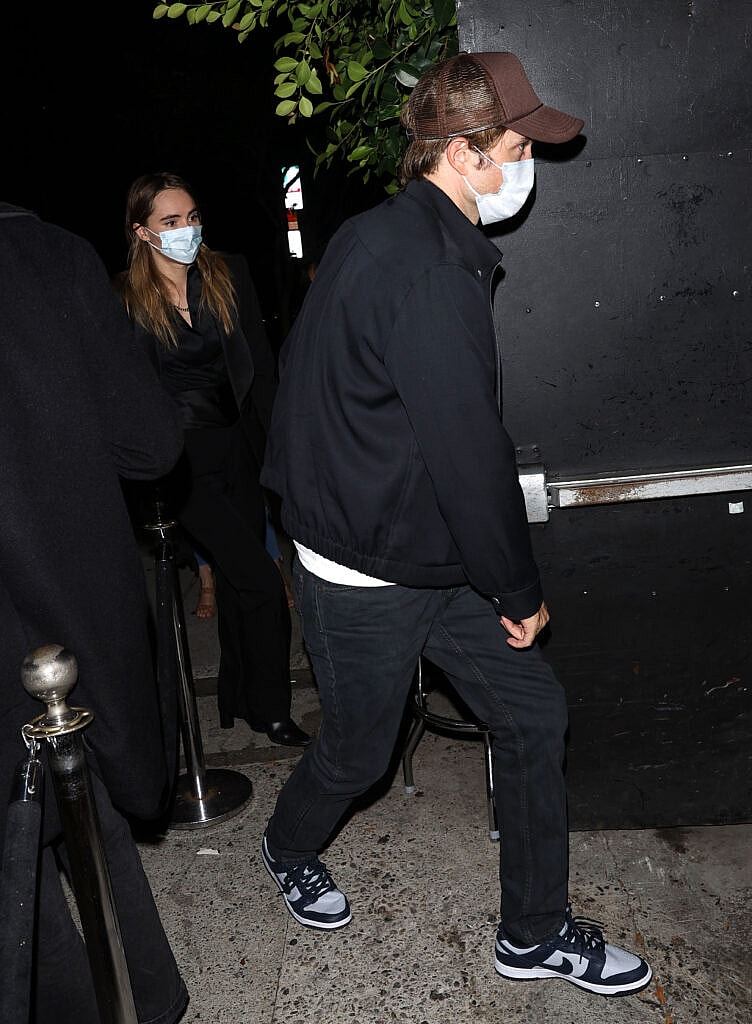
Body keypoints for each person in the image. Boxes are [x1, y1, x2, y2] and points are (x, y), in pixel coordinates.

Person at [258, 51, 653, 997]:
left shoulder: (386, 232)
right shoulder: (431, 266)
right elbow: (469, 453)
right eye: (518, 146)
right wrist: (518, 588)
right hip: (369, 562)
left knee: (532, 711)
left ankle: (534, 932)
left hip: (418, 546)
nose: (527, 165)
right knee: (361, 748)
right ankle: (286, 843)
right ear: (468, 152)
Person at [0, 202, 189, 1022]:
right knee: (84, 798)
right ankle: (148, 994)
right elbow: (149, 443)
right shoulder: (45, 256)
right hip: (57, 599)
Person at [116, 171, 309, 747]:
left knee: (233, 582)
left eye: (193, 217)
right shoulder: (124, 298)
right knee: (261, 582)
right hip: (180, 466)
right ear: (143, 233)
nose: (187, 230)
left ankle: (240, 697)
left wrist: (283, 450)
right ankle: (273, 709)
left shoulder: (229, 274)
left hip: (239, 449)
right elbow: (126, 393)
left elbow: (262, 370)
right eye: (170, 222)